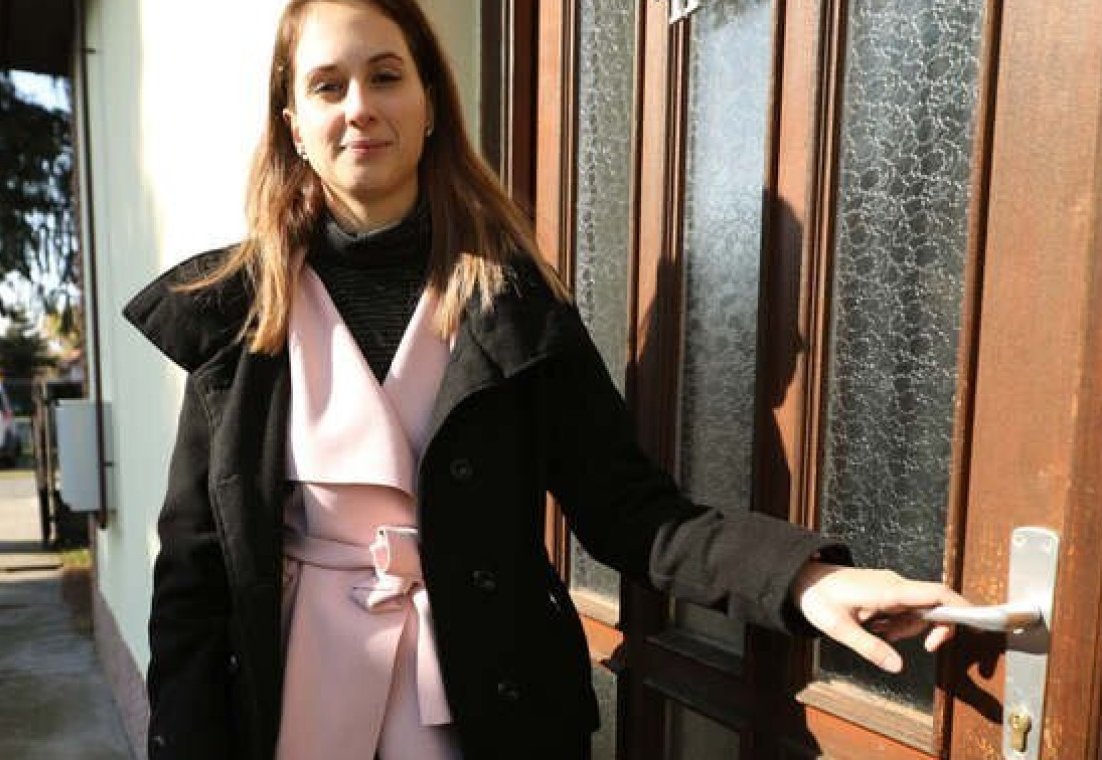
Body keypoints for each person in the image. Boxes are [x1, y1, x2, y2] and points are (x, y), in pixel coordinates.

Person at [122, 1, 972, 758]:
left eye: (386, 76)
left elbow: (631, 511)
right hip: (292, 713)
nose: (360, 108)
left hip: (489, 708)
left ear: (430, 105)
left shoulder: (510, 304)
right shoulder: (238, 316)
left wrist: (806, 580)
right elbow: (193, 578)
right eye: (327, 85)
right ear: (294, 124)